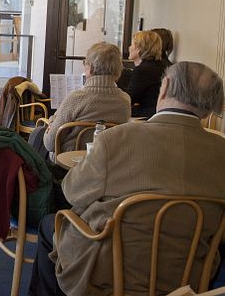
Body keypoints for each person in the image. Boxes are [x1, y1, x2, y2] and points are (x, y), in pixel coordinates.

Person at [29, 61, 225, 296]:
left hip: (111, 271)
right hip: (190, 276)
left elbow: (72, 193)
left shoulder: (116, 139)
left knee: (50, 225)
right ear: (208, 107)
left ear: (166, 87)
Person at [40, 43, 131, 157]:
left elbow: (50, 144)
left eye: (85, 63)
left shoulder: (76, 98)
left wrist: (52, 120)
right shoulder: (125, 100)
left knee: (37, 135)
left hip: (70, 161)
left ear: (91, 68)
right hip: (107, 161)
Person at [122, 30, 166, 118]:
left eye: (132, 45)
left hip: (146, 117)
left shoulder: (142, 70)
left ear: (139, 49)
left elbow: (129, 99)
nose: (129, 47)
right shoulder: (160, 66)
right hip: (158, 114)